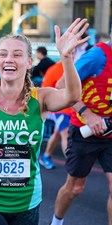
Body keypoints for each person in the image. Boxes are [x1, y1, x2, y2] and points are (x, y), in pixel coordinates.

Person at [0, 18, 89, 225]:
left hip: (27, 205)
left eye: (17, 55)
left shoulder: (41, 97)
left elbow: (72, 96)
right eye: (3, 54)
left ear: (29, 63)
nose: (9, 59)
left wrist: (66, 58)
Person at [50, 31, 112, 225]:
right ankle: (56, 222)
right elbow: (61, 86)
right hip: (85, 132)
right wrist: (87, 114)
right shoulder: (97, 56)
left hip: (110, 133)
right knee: (75, 187)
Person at [38, 48, 77, 170]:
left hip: (73, 109)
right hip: (61, 110)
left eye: (74, 51)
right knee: (65, 134)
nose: (72, 54)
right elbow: (44, 90)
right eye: (70, 52)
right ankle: (73, 167)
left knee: (57, 134)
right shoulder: (55, 69)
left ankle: (46, 156)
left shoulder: (77, 67)